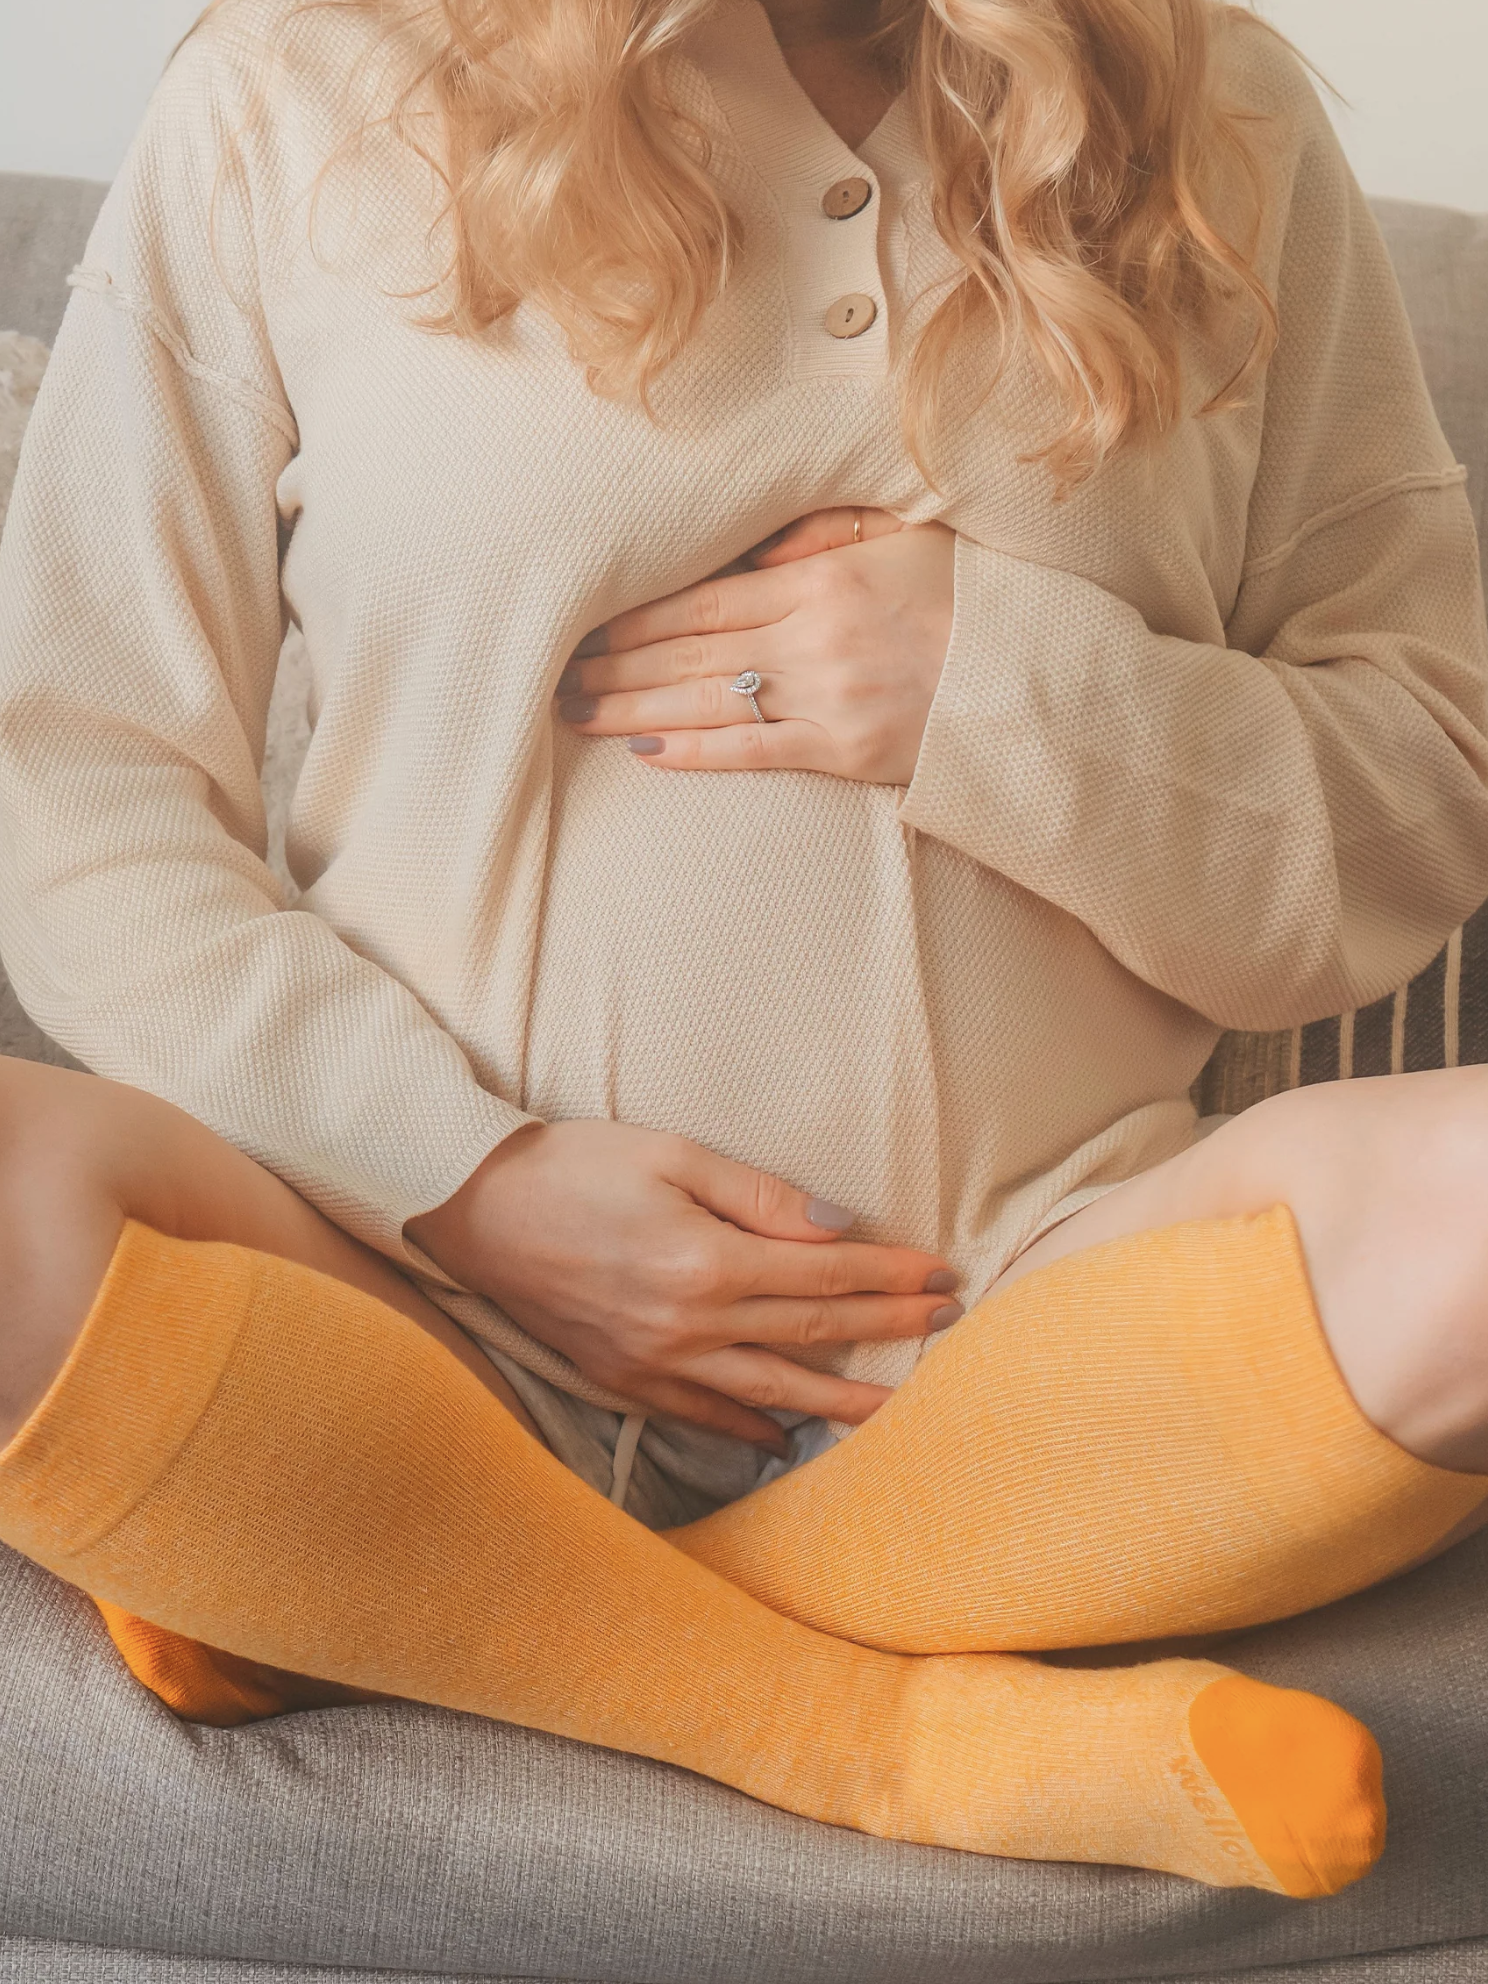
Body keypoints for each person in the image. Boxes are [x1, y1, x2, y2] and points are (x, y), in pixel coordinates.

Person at [0, 0, 1486, 1900]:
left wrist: (1001, 691)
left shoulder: (1221, 110)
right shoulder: (290, 89)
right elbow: (77, 782)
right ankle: (864, 1729)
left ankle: (381, 1572)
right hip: (417, 1317)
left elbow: (1430, 789)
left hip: (1040, 1303)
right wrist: (466, 1183)